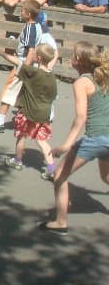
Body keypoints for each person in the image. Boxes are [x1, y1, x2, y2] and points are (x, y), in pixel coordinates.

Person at [40, 41, 109, 235]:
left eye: (73, 55)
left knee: (59, 175)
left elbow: (81, 118)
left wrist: (66, 145)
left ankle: (60, 222)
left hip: (94, 139)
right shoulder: (105, 77)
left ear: (78, 60)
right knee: (106, 177)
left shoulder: (81, 83)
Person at [0, 43, 58, 179]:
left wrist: (1, 53)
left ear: (38, 57)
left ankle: (17, 160)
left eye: (34, 53)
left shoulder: (32, 72)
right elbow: (53, 96)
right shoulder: (52, 77)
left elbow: (16, 62)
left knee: (21, 136)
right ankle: (51, 168)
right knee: (42, 141)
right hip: (43, 113)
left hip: (27, 111)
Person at [0, 0, 44, 133]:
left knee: (8, 90)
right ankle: (29, 120)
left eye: (22, 11)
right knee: (25, 93)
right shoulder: (38, 26)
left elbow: (31, 50)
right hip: (30, 64)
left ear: (28, 14)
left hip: (23, 64)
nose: (20, 13)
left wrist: (25, 68)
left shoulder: (30, 28)